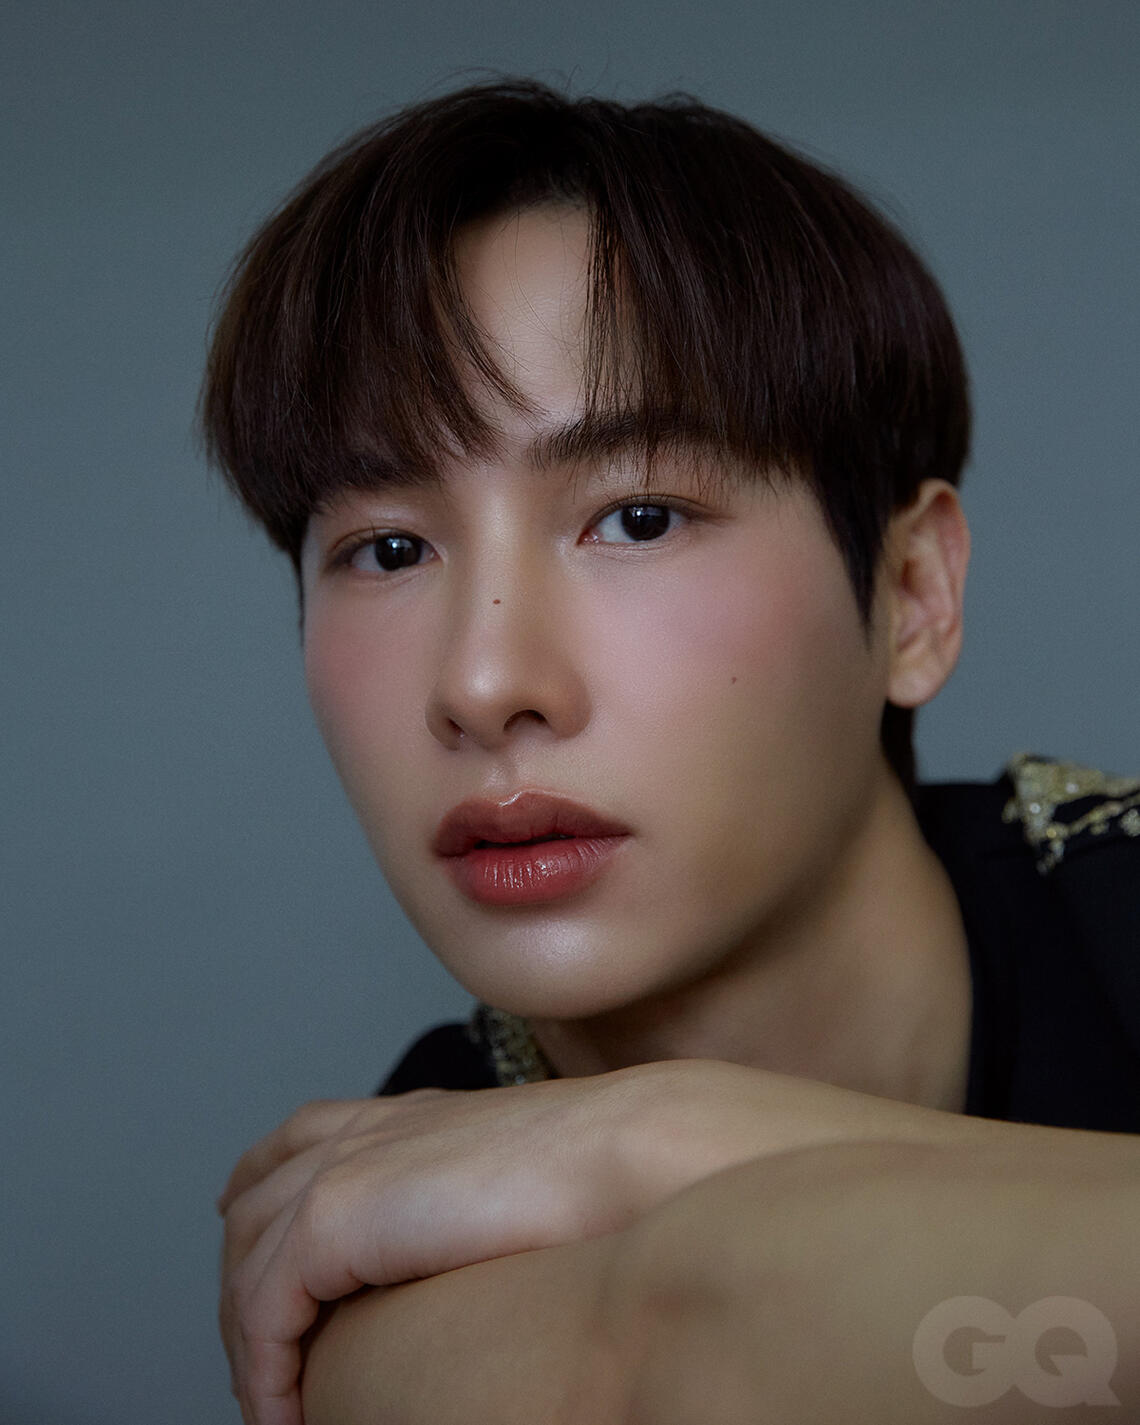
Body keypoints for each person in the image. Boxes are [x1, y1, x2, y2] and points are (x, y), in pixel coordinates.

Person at [202, 80, 1140, 1425]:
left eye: (638, 517)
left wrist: (657, 1140)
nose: (483, 685)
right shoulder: (380, 1211)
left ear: (912, 595)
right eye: (388, 549)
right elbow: (681, 1362)